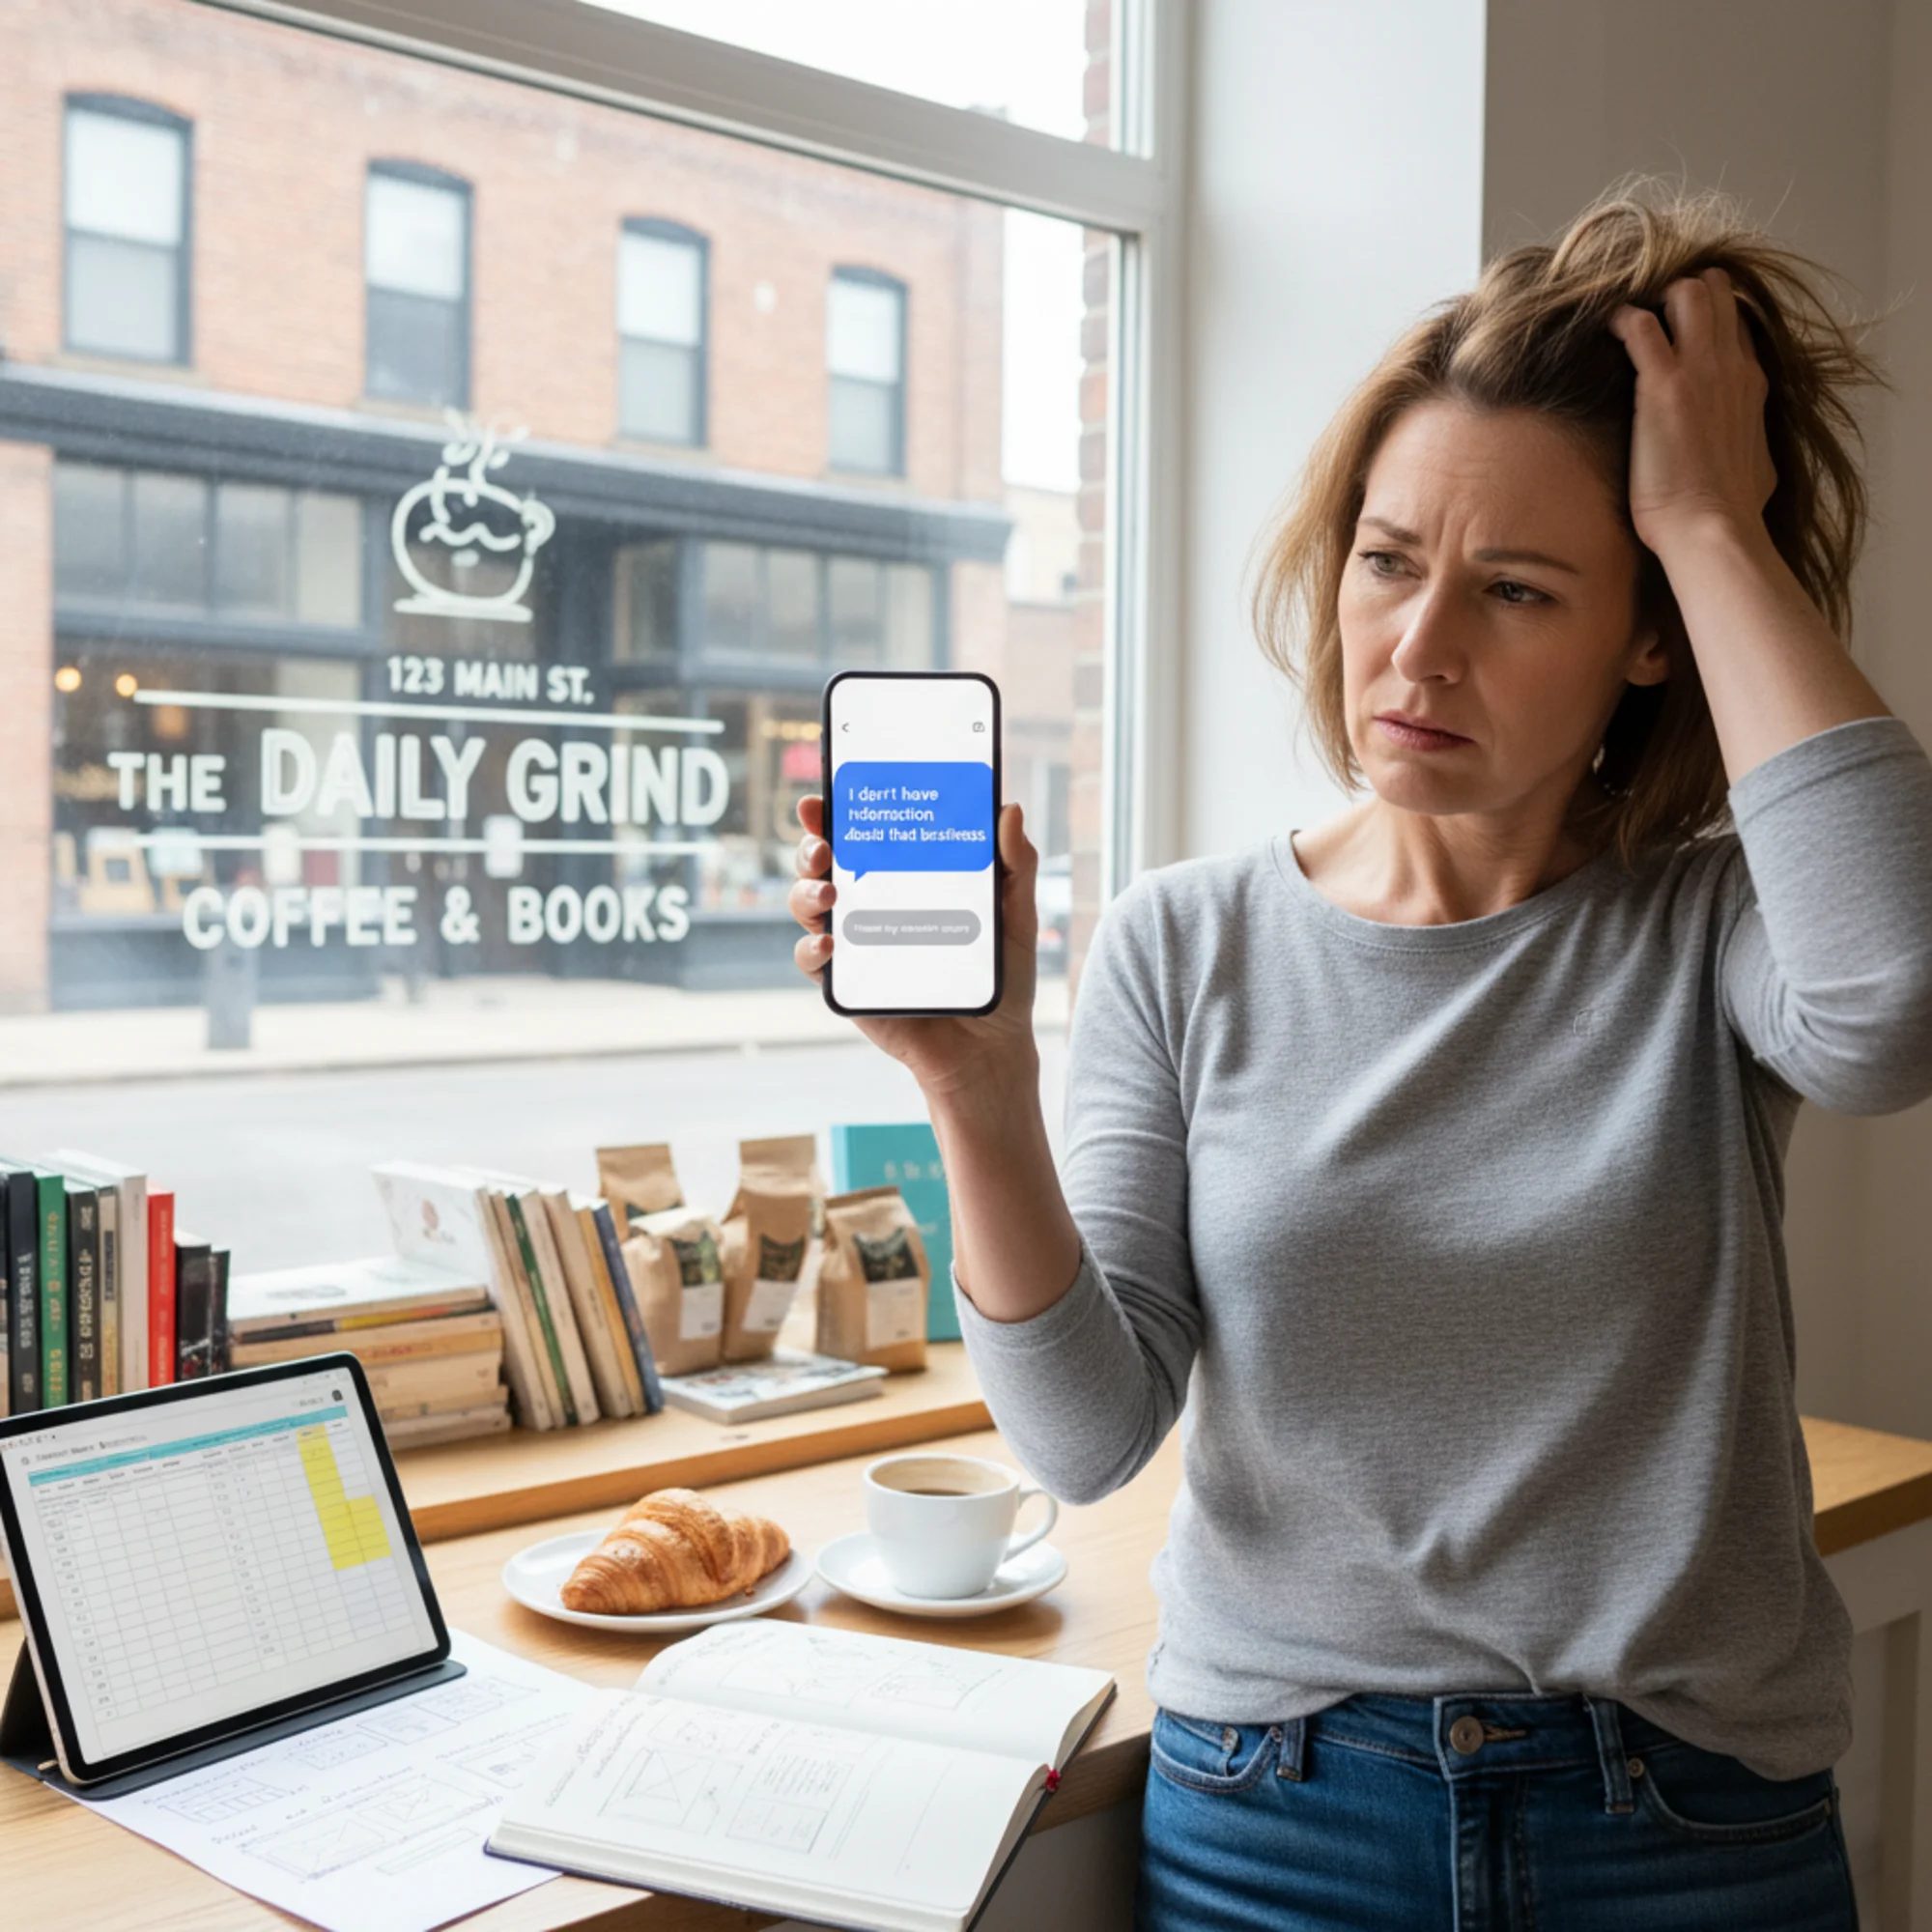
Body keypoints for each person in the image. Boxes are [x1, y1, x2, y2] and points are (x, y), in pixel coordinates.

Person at [788, 182, 1932, 1929]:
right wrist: (974, 1084)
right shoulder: (1188, 940)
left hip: (1685, 1819)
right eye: (1389, 561)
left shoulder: (1709, 929)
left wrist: (1711, 522)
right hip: (1282, 1826)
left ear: (1647, 640)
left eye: (1520, 590)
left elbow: (1895, 1000)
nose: (1416, 646)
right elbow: (1087, 1438)